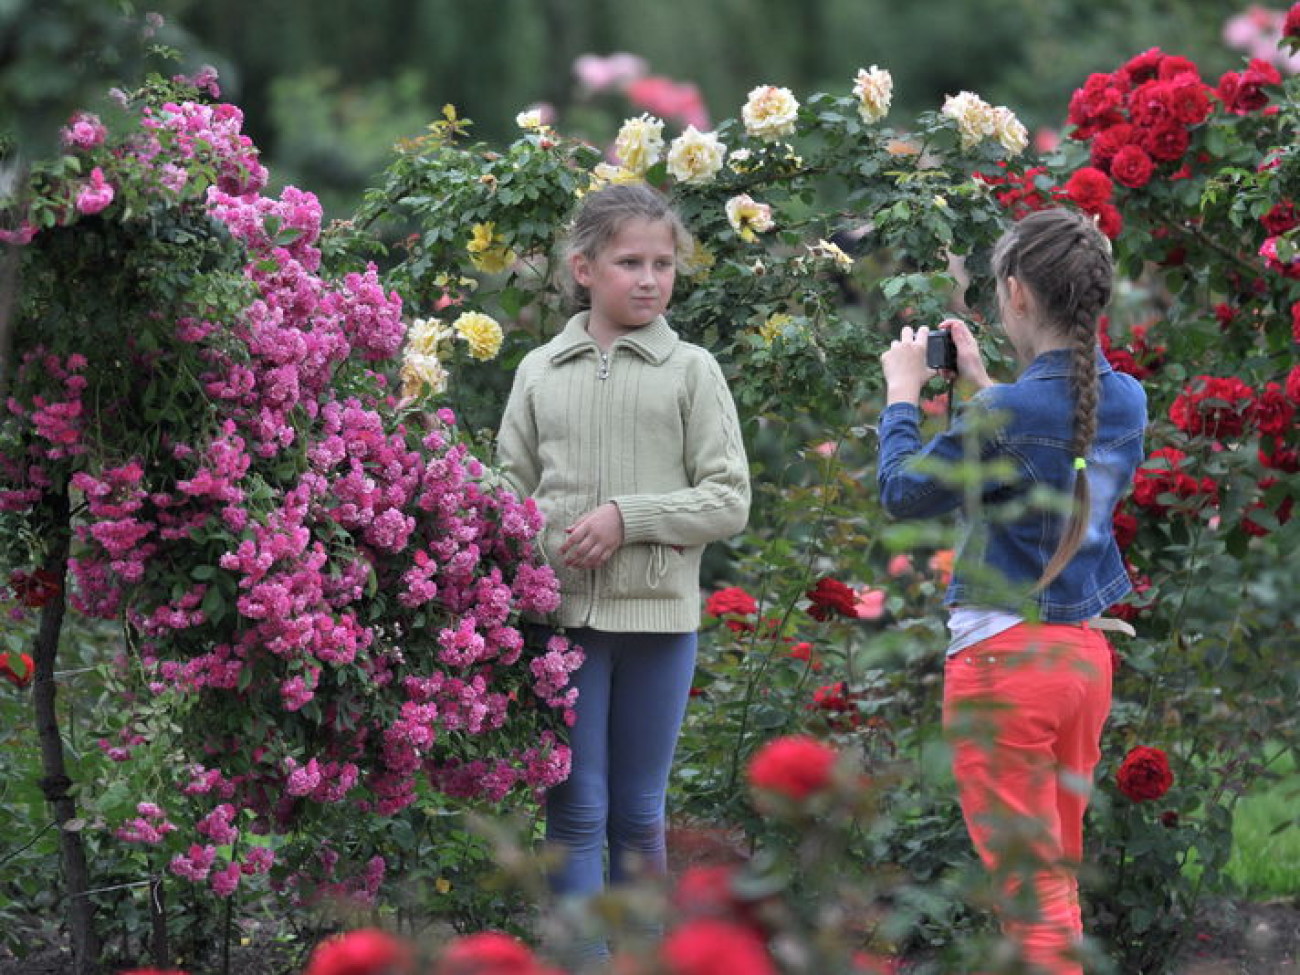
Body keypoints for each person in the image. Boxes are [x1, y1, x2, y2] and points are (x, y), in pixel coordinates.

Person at [876, 207, 1148, 974]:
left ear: (1018, 294)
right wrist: (984, 385)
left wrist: (902, 395)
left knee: (1033, 901)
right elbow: (1051, 435)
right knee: (1054, 887)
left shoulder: (1005, 413)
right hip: (1082, 664)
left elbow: (902, 492)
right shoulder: (1127, 399)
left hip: (1004, 669)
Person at [496, 182, 751, 966]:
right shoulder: (540, 370)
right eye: (630, 262)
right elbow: (504, 496)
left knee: (639, 815)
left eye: (663, 263)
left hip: (658, 627)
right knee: (572, 811)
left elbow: (728, 499)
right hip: (561, 625)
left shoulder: (693, 371)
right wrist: (545, 547)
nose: (649, 279)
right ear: (584, 268)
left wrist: (626, 518)